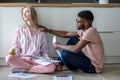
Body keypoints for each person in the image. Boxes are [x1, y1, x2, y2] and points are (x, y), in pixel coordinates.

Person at [40, 10, 104, 73]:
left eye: (78, 22)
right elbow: (66, 34)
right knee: (73, 39)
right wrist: (48, 30)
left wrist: (59, 45)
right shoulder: (84, 30)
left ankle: (60, 64)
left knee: (65, 55)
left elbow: (75, 49)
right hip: (87, 57)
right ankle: (60, 64)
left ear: (86, 23)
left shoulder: (91, 32)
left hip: (92, 67)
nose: (76, 23)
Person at [5, 6, 56, 73]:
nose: (24, 14)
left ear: (33, 13)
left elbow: (44, 49)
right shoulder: (19, 30)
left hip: (36, 59)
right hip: (22, 58)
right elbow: (15, 47)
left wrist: (46, 57)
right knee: (8, 58)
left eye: (27, 11)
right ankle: (31, 68)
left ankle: (24, 69)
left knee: (52, 67)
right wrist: (14, 55)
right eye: (23, 13)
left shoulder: (41, 32)